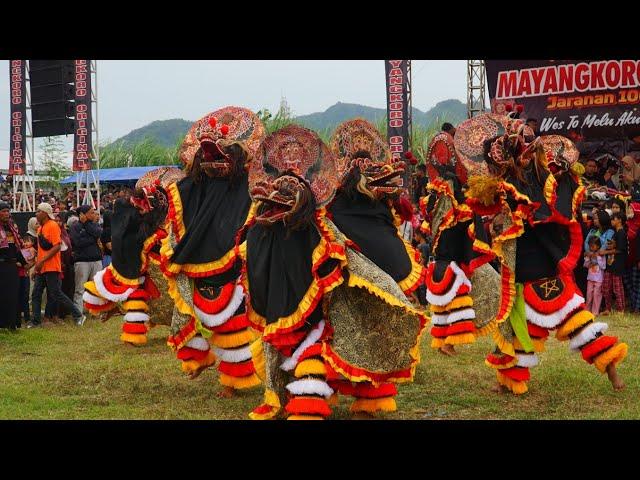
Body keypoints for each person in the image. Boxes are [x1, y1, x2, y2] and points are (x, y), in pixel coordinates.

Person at [29, 203, 85, 327]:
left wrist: (42, 261)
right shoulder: (40, 229)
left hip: (52, 267)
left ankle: (78, 314)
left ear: (45, 213)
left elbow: (57, 246)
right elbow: (41, 250)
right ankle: (35, 321)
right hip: (41, 267)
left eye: (38, 211)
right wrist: (38, 265)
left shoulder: (53, 226)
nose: (36, 213)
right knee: (36, 293)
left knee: (56, 293)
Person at [69, 204, 103, 315]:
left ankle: (95, 311)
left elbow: (98, 233)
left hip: (96, 260)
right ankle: (78, 313)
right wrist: (92, 239)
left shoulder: (94, 225)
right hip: (81, 261)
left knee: (96, 288)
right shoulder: (75, 226)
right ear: (83, 214)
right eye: (91, 212)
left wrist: (86, 224)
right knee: (80, 289)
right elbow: (78, 242)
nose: (94, 214)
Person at [0, 201, 25, 330]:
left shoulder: (12, 228)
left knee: (13, 294)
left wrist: (25, 262)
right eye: (3, 211)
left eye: (7, 211)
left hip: (12, 266)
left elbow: (18, 247)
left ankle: (12, 323)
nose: (6, 214)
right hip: (1, 265)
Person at [602, 212, 627, 314]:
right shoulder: (615, 232)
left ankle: (621, 309)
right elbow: (614, 246)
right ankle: (607, 308)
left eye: (614, 219)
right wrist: (609, 246)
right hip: (610, 263)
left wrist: (606, 251)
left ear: (620, 220)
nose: (612, 221)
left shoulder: (621, 233)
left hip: (618, 264)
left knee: (617, 288)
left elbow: (620, 249)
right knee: (606, 287)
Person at [17, 233, 37, 327]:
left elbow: (31, 260)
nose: (25, 243)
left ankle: (27, 318)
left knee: (25, 296)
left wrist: (27, 264)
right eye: (24, 242)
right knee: (19, 296)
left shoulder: (31, 250)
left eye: (27, 241)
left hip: (25, 274)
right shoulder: (19, 249)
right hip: (18, 274)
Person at [584, 237, 606, 316]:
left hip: (599, 279)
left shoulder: (601, 255)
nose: (591, 248)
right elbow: (585, 265)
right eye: (590, 246)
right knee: (589, 294)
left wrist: (598, 257)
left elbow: (603, 266)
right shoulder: (589, 254)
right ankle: (587, 310)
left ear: (598, 246)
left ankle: (595, 312)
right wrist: (588, 260)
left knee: (597, 295)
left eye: (593, 246)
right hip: (590, 278)